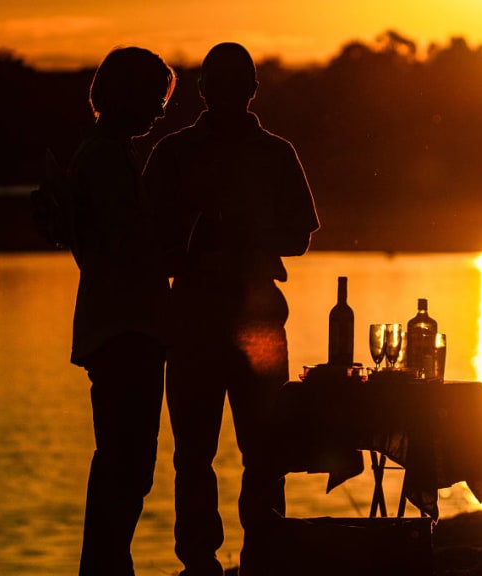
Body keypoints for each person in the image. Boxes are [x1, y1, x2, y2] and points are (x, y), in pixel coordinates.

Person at [143, 42, 320, 576]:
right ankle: (201, 560)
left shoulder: (276, 152)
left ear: (251, 90)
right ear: (204, 90)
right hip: (196, 312)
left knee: (264, 447)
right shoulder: (173, 154)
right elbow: (148, 236)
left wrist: (246, 233)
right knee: (195, 450)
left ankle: (263, 553)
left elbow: (301, 236)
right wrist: (198, 241)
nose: (228, 94)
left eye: (235, 83)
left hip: (257, 315)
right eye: (220, 84)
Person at [69, 47, 176, 576]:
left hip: (120, 327)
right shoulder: (107, 158)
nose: (159, 111)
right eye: (154, 99)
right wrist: (188, 240)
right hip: (125, 329)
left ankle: (109, 565)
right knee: (126, 465)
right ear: (122, 95)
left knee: (124, 463)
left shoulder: (106, 153)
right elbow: (127, 246)